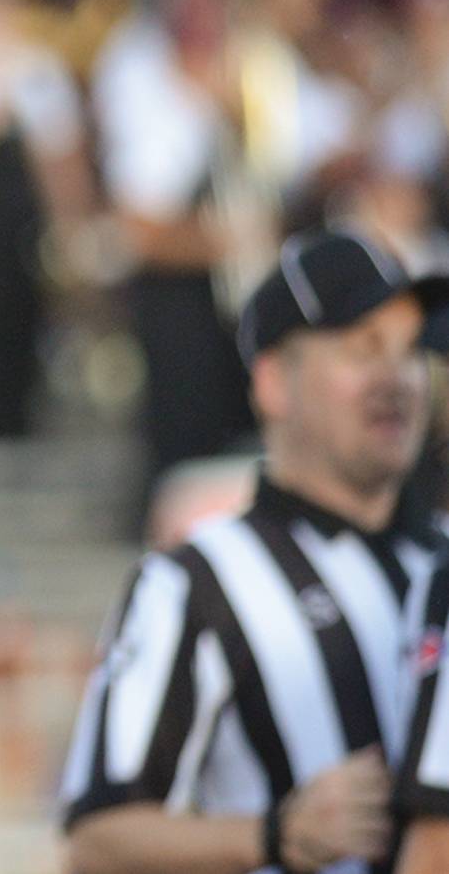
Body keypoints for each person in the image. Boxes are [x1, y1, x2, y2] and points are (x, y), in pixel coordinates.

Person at [59, 228, 449, 874]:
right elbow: (94, 840)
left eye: (412, 351)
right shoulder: (196, 581)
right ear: (273, 382)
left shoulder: (439, 559)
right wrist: (272, 834)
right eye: (361, 346)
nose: (396, 377)